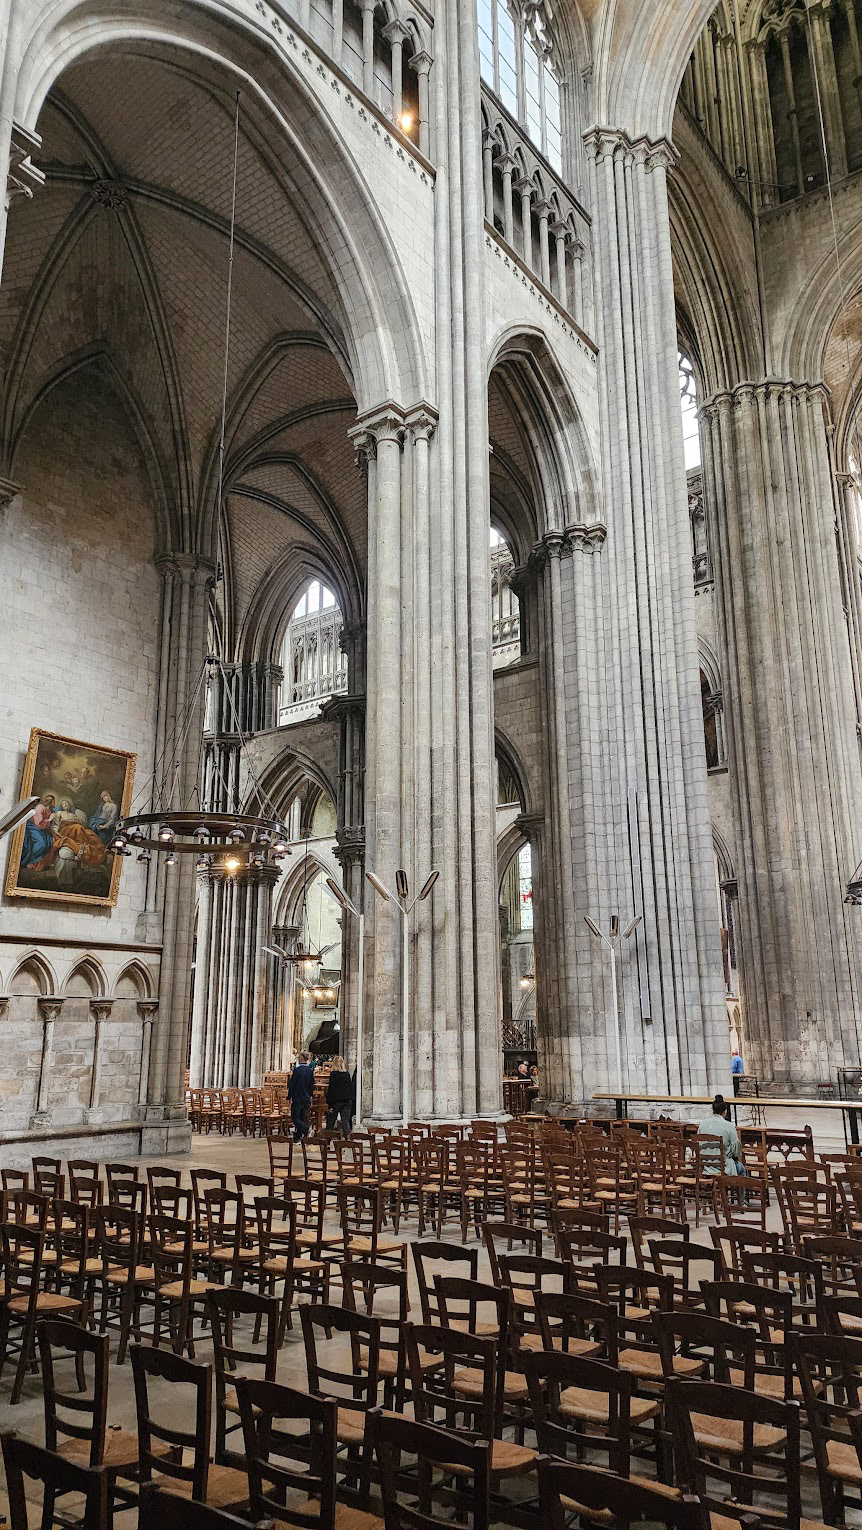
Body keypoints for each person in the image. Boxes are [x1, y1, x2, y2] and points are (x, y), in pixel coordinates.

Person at [698, 1094, 745, 1176]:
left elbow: (698, 1145)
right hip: (724, 1167)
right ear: (725, 1111)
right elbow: (736, 1151)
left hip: (705, 1165)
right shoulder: (729, 1126)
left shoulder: (702, 1124)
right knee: (741, 1168)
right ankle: (739, 1188)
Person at [288, 1051, 315, 1140]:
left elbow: (292, 1084)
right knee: (302, 1117)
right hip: (306, 1097)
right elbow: (311, 1085)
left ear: (302, 1059)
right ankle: (298, 1136)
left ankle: (306, 1129)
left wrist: (289, 1096)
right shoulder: (310, 1071)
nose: (298, 1059)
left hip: (298, 1097)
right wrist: (311, 1096)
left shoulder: (297, 1070)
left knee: (295, 1118)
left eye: (299, 1058)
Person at [326, 1056, 353, 1138]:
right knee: (345, 1121)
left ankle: (327, 1139)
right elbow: (350, 1087)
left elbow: (331, 1089)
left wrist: (329, 1103)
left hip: (336, 1101)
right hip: (347, 1100)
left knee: (331, 1121)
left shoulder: (333, 1074)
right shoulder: (346, 1074)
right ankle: (347, 1139)